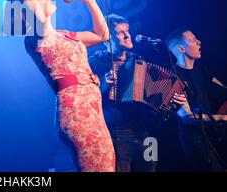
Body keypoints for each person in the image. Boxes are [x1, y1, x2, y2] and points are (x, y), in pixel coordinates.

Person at [0, 0, 115, 172]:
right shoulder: (35, 36)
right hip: (76, 110)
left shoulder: (63, 34)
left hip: (92, 110)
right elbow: (35, 15)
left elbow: (102, 35)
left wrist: (89, 1)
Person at [88, 14, 174, 172]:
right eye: (120, 33)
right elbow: (85, 100)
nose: (128, 35)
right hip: (118, 134)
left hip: (147, 135)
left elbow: (154, 94)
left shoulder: (138, 60)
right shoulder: (95, 62)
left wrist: (172, 101)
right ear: (107, 38)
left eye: (127, 30)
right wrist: (101, 85)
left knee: (150, 168)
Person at [166, 28, 227, 171]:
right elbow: (187, 118)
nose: (199, 42)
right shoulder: (174, 78)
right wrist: (223, 118)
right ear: (181, 48)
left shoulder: (201, 70)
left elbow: (223, 90)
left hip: (213, 134)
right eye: (193, 40)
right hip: (197, 141)